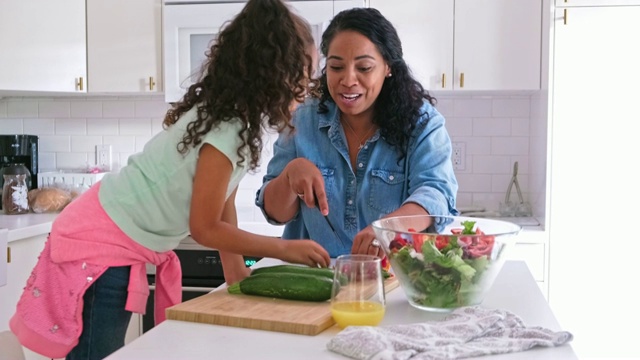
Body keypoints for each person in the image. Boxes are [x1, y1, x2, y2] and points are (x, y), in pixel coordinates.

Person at [9, 1, 329, 359]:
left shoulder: (235, 123)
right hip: (99, 243)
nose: (307, 85)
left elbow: (223, 209)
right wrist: (282, 249)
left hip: (107, 234)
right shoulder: (228, 128)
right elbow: (205, 228)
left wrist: (237, 274)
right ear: (274, 72)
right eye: (304, 72)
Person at [256, 7, 459, 259]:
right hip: (313, 280)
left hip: (391, 278)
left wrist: (388, 228)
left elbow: (436, 195)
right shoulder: (301, 118)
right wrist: (288, 177)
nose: (348, 80)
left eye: (363, 68)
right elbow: (275, 213)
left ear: (388, 67)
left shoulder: (423, 123)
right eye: (336, 67)